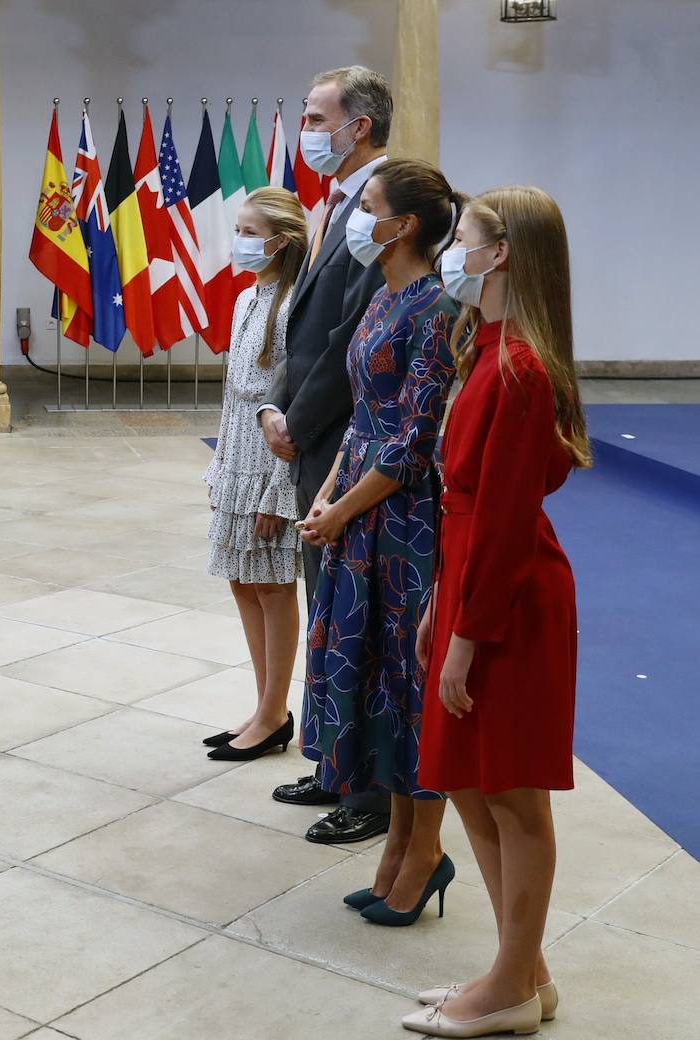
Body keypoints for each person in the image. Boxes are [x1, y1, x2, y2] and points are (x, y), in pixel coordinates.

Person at [404, 187, 588, 1038]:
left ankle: (510, 986)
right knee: (470, 781)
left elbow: (508, 519)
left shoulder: (518, 369)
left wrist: (467, 637)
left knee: (512, 794)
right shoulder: (488, 347)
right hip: (471, 577)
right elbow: (468, 504)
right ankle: (525, 971)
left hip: (509, 599)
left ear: (501, 252)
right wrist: (443, 602)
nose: (453, 251)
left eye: (464, 237)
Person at [296, 159, 462, 926]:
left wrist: (342, 510)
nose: (358, 218)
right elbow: (364, 415)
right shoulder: (383, 296)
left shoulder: (434, 308)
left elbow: (412, 444)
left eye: (369, 207)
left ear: (404, 227)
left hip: (401, 521)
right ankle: (397, 844)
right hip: (357, 503)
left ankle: (423, 849)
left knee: (405, 683)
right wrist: (328, 490)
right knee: (370, 680)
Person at [259, 65, 394, 844]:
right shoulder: (339, 202)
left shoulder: (380, 208)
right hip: (312, 433)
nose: (306, 128)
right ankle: (335, 761)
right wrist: (278, 402)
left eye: (314, 116)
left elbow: (351, 337)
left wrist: (300, 420)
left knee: (354, 620)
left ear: (359, 126)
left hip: (343, 441)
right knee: (324, 611)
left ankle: (372, 790)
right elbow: (305, 325)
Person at [201, 187, 308, 762]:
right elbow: (232, 396)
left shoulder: (295, 303)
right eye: (238, 230)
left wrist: (277, 489)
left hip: (272, 464)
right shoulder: (246, 299)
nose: (238, 242)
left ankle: (274, 713)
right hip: (237, 455)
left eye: (248, 232)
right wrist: (219, 467)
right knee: (242, 581)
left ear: (281, 240)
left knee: (272, 584)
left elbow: (285, 401)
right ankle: (264, 703)